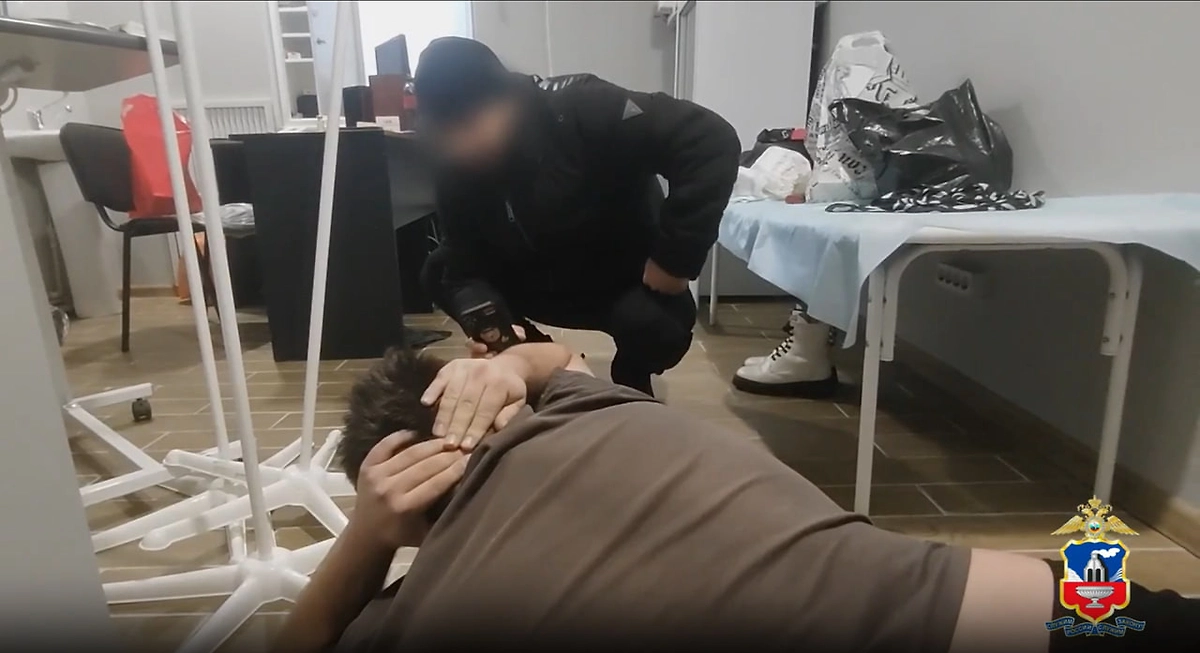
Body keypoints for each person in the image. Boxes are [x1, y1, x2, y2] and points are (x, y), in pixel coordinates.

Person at [274, 345, 1200, 653]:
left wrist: (366, 537)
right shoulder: (591, 406)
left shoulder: (423, 613)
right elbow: (562, 355)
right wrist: (512, 361)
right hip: (1009, 609)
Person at [413, 37, 741, 396]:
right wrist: (489, 322)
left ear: (504, 98)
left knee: (657, 328)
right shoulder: (453, 163)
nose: (461, 144)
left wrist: (675, 259)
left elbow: (710, 140)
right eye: (446, 133)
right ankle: (536, 365)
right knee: (440, 271)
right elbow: (461, 259)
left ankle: (633, 370)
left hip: (620, 277)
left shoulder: (581, 107)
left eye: (469, 123)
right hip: (533, 276)